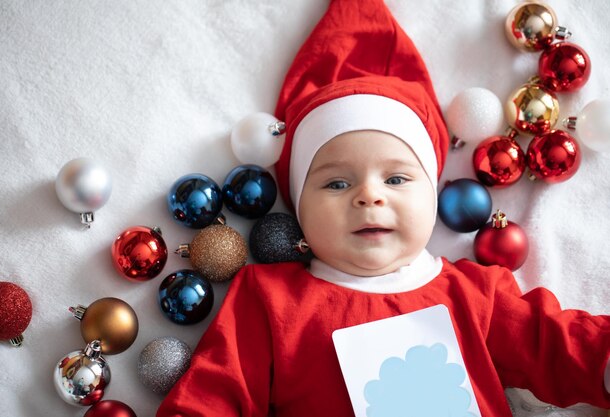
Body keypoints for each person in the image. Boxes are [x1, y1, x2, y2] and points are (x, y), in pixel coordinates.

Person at [157, 0, 610, 416]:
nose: (369, 196)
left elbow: (557, 346)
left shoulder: (475, 295)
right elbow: (212, 397)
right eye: (336, 182)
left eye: (396, 179)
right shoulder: (269, 302)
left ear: (432, 197)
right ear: (299, 207)